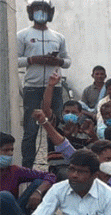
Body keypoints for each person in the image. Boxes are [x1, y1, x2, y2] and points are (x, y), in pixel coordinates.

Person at [17, 0, 71, 168]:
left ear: (50, 13)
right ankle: (27, 167)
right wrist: (33, 60)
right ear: (31, 12)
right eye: (37, 9)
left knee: (55, 127)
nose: (40, 13)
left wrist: (58, 61)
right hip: (32, 88)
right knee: (30, 130)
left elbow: (68, 61)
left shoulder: (58, 37)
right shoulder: (22, 35)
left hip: (54, 88)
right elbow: (15, 60)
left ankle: (56, 165)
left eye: (44, 10)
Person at [0, 132, 55, 215]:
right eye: (6, 151)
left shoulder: (14, 171)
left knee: (39, 182)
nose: (10, 154)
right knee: (4, 196)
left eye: (11, 150)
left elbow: (50, 176)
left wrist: (38, 192)